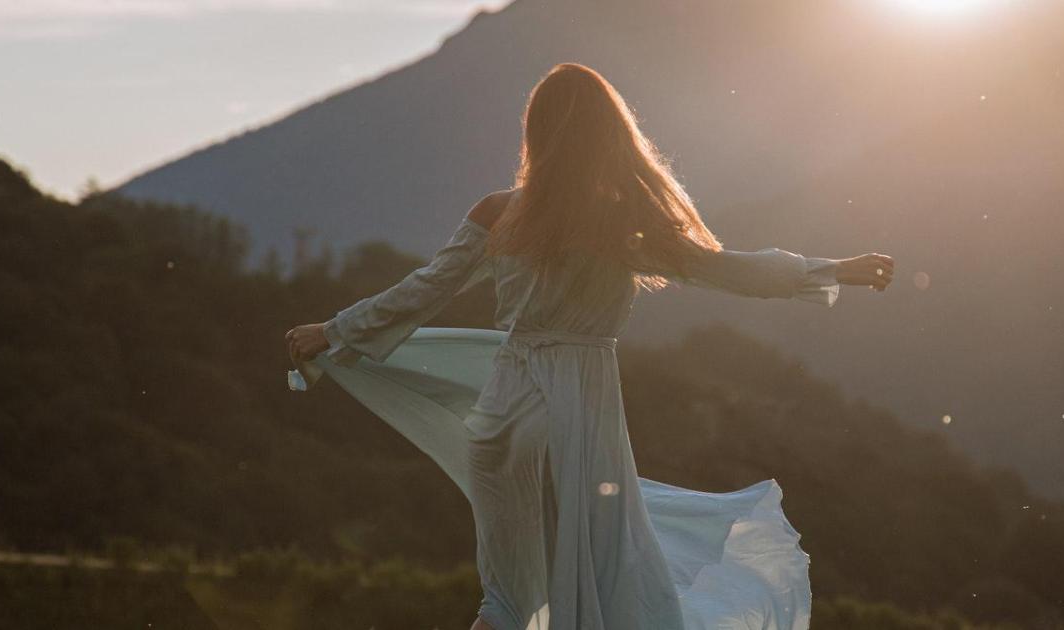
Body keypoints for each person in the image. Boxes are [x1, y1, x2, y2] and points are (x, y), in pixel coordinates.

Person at [284, 62, 893, 630]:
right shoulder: (619, 221)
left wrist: (335, 332)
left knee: (505, 598)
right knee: (604, 579)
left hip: (502, 416)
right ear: (611, 136)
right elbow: (723, 269)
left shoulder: (500, 213)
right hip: (575, 416)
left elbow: (424, 290)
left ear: (537, 132)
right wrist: (831, 268)